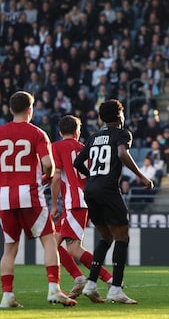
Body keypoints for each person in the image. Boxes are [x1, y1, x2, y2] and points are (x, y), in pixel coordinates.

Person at [0, 91, 77, 308]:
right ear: (30, 110)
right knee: (49, 240)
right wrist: (47, 176)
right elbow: (49, 165)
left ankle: (7, 296)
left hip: (4, 197)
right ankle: (54, 289)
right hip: (29, 194)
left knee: (10, 248)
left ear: (11, 110)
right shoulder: (38, 133)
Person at [73, 99, 153, 304]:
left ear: (101, 118)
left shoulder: (93, 137)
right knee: (122, 237)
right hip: (108, 190)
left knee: (106, 236)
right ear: (120, 117)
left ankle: (91, 284)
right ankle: (116, 288)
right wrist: (141, 177)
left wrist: (91, 176)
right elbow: (121, 153)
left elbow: (77, 162)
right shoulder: (122, 134)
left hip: (90, 190)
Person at [50, 115, 113, 302]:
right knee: (52, 243)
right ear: (78, 132)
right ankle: (82, 279)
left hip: (74, 203)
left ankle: (106, 279)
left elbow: (56, 176)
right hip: (85, 201)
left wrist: (53, 204)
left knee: (73, 249)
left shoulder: (56, 147)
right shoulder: (86, 149)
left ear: (60, 131)